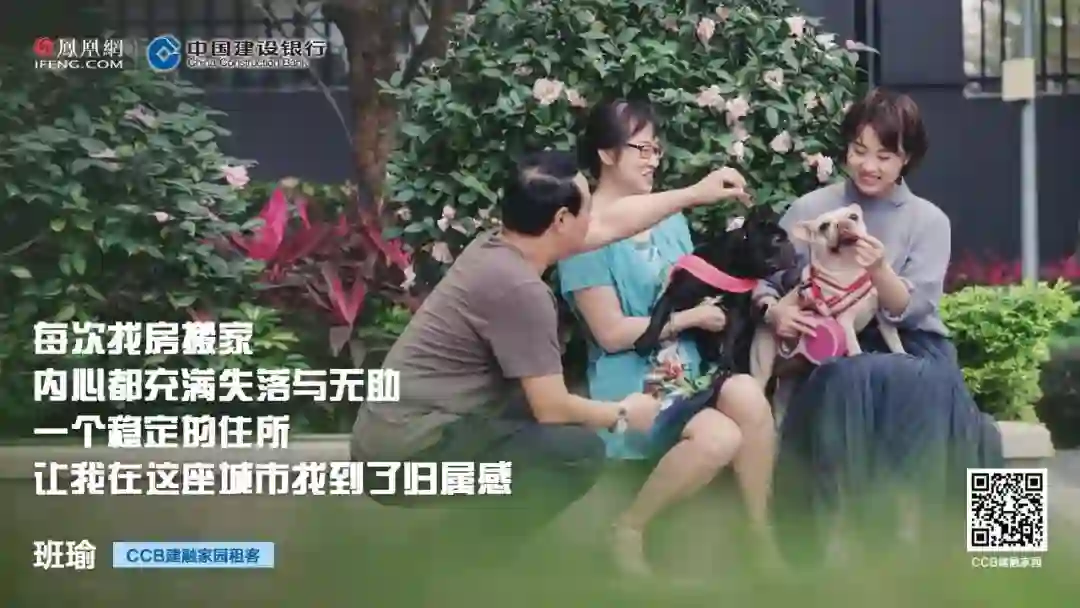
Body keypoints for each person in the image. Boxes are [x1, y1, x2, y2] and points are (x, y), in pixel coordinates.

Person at [350, 149, 752, 570]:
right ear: (561, 220)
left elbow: (611, 225)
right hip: (404, 458)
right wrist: (622, 413)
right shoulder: (520, 290)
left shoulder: (497, 247)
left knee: (551, 413)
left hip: (396, 438)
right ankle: (448, 562)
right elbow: (551, 408)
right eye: (587, 208)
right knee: (576, 451)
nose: (595, 218)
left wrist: (694, 193)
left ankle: (450, 554)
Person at [752, 88, 1003, 563]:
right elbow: (767, 279)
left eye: (884, 156)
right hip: (830, 348)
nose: (869, 166)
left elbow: (914, 309)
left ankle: (989, 557)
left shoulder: (929, 220)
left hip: (912, 345)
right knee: (852, 377)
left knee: (972, 425)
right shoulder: (812, 209)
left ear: (907, 158)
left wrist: (880, 270)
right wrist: (774, 311)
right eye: (858, 150)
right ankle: (866, 551)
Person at [557, 100, 780, 576]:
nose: (653, 160)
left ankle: (761, 535)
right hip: (637, 382)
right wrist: (690, 318)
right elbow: (610, 333)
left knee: (747, 393)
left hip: (691, 370)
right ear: (606, 154)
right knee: (719, 438)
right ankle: (628, 527)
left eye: (656, 149)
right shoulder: (583, 236)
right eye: (641, 149)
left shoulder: (670, 221)